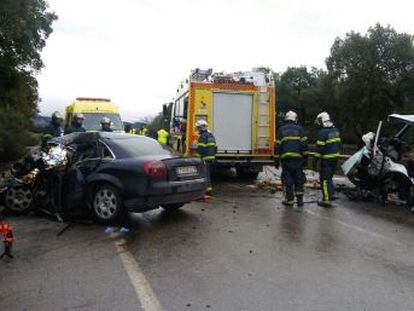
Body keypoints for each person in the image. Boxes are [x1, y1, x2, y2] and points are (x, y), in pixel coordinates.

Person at [275, 111, 308, 207]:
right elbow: (304, 145)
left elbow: (277, 146)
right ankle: (300, 200)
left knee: (287, 180)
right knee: (299, 179)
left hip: (286, 160)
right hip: (298, 160)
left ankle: (289, 200)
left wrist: (276, 160)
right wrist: (305, 158)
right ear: (295, 119)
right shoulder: (300, 129)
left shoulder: (281, 130)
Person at [314, 112, 342, 208]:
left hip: (326, 159)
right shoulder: (336, 130)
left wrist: (315, 160)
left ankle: (326, 200)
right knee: (329, 177)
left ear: (322, 120)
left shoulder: (322, 133)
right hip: (335, 158)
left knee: (324, 179)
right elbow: (339, 145)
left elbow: (319, 149)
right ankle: (331, 194)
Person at [195, 120, 217, 194]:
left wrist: (196, 157)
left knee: (204, 175)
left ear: (201, 128)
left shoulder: (202, 136)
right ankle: (208, 189)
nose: (198, 129)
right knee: (208, 174)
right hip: (212, 159)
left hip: (205, 159)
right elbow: (215, 147)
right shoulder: (211, 136)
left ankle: (207, 190)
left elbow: (201, 148)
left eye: (198, 128)